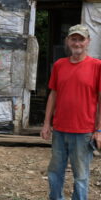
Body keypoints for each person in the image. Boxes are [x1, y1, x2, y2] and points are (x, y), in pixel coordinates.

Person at [40, 24, 101, 200]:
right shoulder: (59, 65)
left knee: (81, 176)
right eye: (73, 39)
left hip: (84, 132)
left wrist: (99, 130)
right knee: (54, 172)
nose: (77, 43)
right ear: (67, 41)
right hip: (59, 130)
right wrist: (46, 123)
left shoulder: (97, 66)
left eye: (81, 39)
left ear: (88, 42)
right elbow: (53, 94)